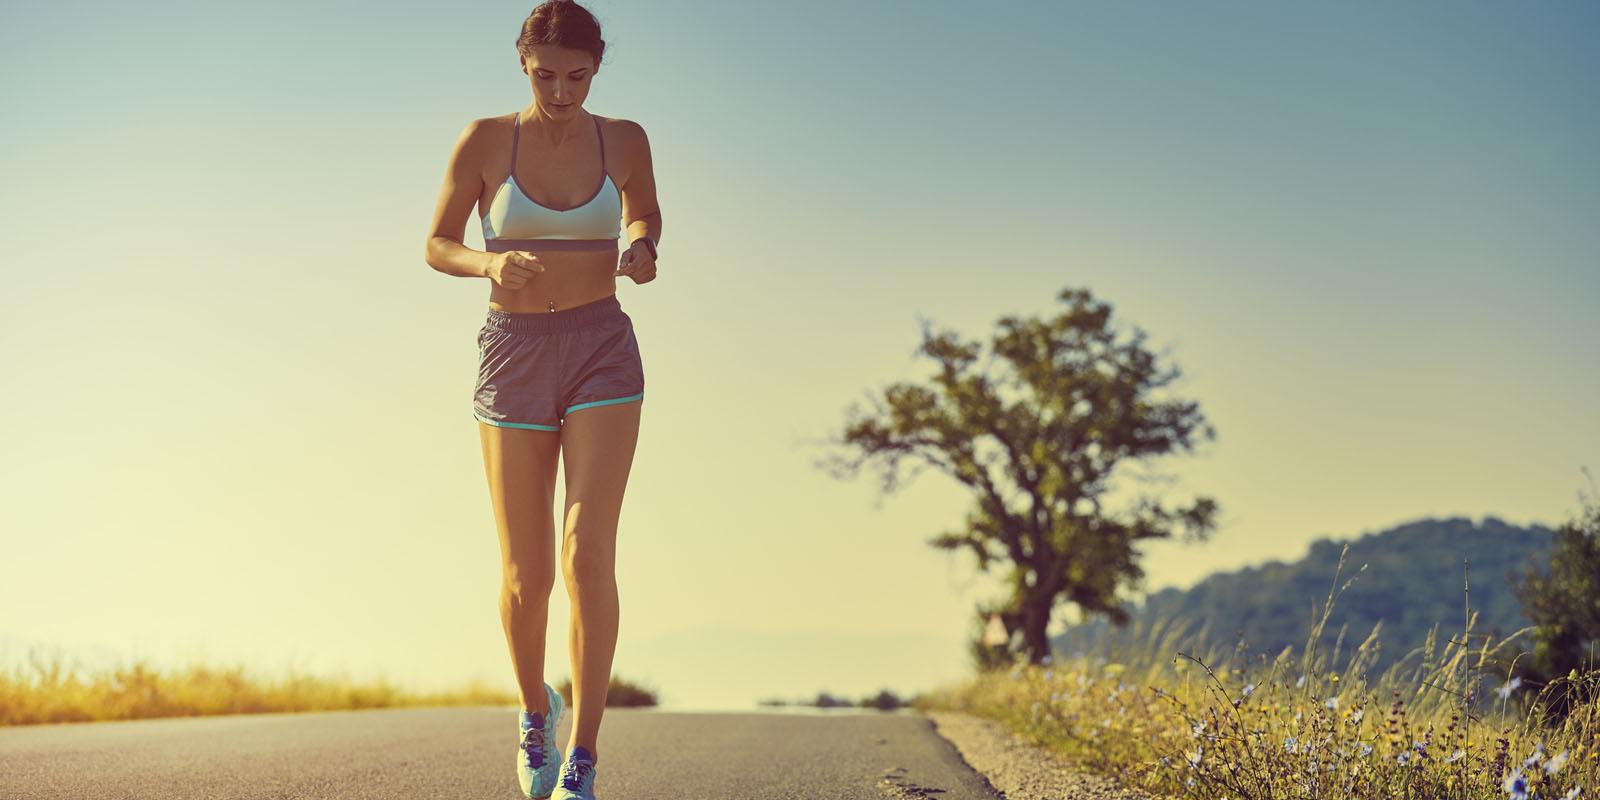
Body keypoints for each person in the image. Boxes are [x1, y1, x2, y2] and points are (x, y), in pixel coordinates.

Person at [423, 2, 658, 797]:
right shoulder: (487, 140)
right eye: (546, 74)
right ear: (524, 65)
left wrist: (640, 245)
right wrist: (487, 267)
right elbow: (437, 242)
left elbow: (644, 211)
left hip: (601, 350)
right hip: (514, 355)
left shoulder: (624, 139)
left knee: (588, 554)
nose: (562, 91)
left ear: (597, 68)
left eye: (578, 76)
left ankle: (584, 757)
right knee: (527, 576)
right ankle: (535, 712)